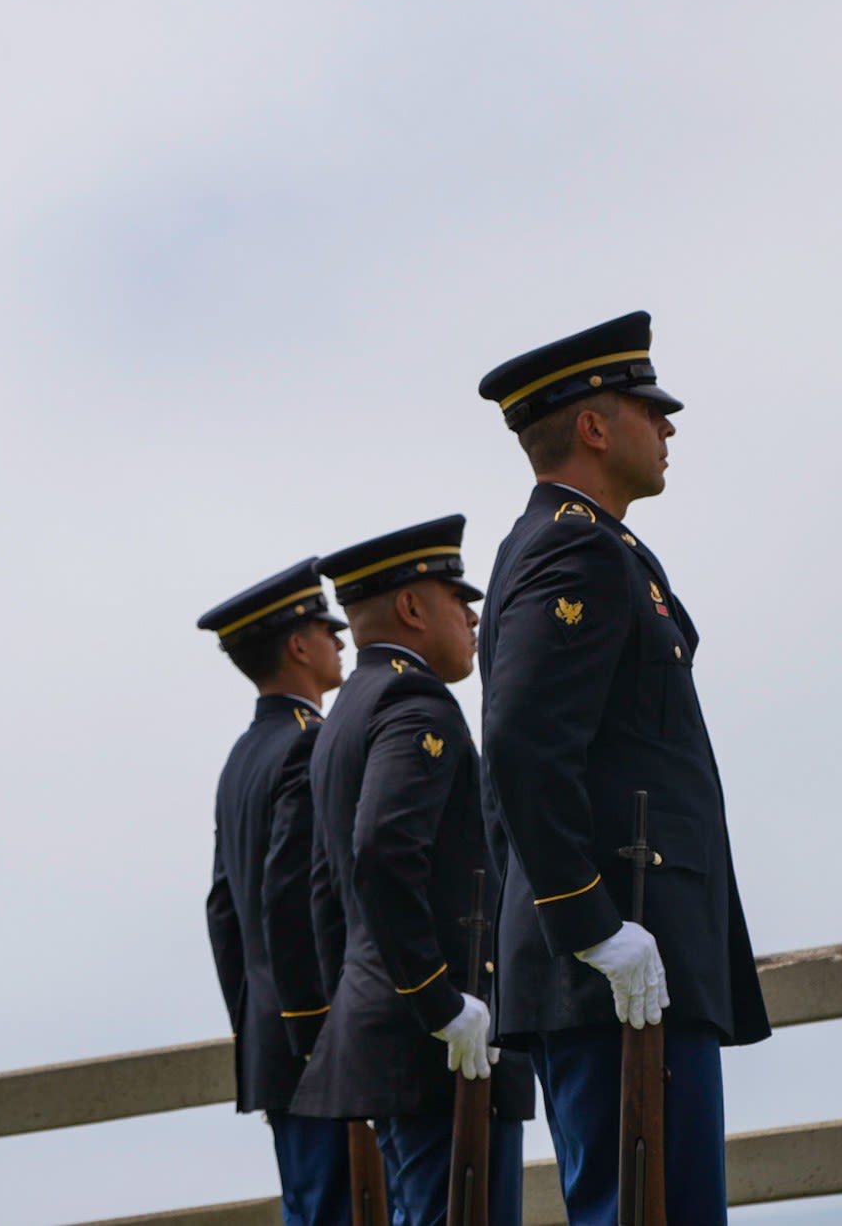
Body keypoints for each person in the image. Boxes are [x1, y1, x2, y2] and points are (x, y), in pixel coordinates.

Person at [474, 312, 770, 1225]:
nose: (668, 426)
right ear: (595, 427)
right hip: (620, 960)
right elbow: (522, 745)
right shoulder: (575, 547)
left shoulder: (599, 547)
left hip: (634, 956)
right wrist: (591, 923)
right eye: (649, 408)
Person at [291, 516, 533, 1226]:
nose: (471, 613)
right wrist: (439, 1002)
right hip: (437, 1048)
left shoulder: (344, 712)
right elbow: (381, 855)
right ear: (411, 607)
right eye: (456, 596)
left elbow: (325, 891)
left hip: (394, 1040)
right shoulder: (413, 701)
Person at [199, 560, 353, 1226]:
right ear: (297, 645)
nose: (340, 641)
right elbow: (292, 893)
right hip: (314, 1033)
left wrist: (258, 1021)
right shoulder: (307, 744)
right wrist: (311, 1027)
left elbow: (223, 911)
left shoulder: (243, 753)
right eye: (327, 629)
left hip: (274, 1035)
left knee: (309, 1206)